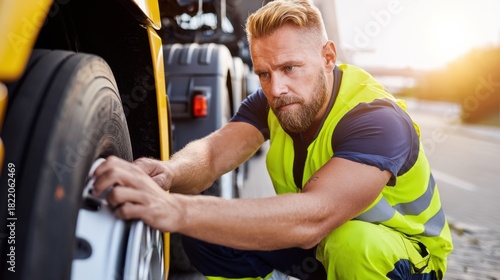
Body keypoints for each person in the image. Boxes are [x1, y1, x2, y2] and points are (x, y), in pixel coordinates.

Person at [93, 0, 453, 278]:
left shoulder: (377, 118)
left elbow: (313, 219)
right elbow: (214, 154)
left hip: (404, 257)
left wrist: (176, 210)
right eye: (263, 73)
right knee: (208, 232)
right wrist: (167, 173)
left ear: (328, 57)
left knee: (355, 244)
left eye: (289, 68)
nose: (276, 89)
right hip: (324, 247)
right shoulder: (273, 100)